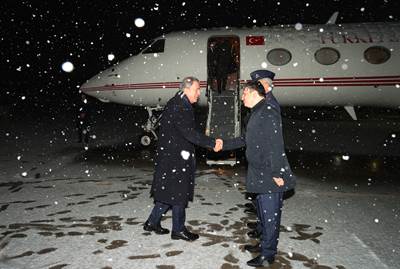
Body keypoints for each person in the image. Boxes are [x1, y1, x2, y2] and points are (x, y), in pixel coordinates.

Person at [222, 70, 296, 267]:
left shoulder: (268, 112)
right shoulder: (256, 112)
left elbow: (276, 145)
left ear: (254, 93)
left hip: (269, 172)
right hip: (258, 171)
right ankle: (263, 244)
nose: (242, 97)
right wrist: (221, 144)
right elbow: (244, 139)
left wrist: (277, 173)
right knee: (263, 214)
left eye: (244, 94)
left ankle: (267, 254)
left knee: (270, 216)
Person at [144, 76, 223, 241]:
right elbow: (189, 133)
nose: (199, 93)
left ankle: (152, 222)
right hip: (175, 158)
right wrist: (211, 142)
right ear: (186, 89)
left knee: (169, 192)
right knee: (179, 193)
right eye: (196, 90)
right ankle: (178, 230)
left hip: (172, 155)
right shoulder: (180, 106)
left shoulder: (178, 102)